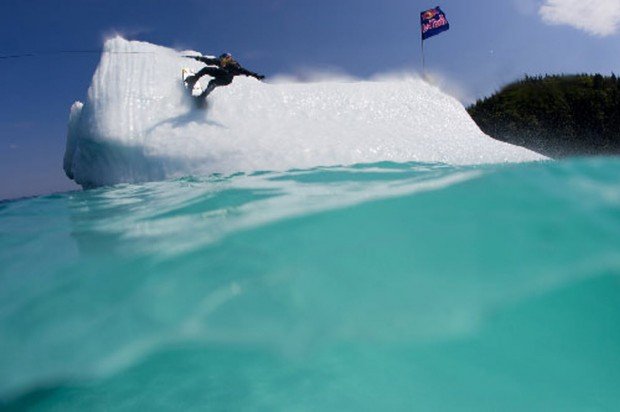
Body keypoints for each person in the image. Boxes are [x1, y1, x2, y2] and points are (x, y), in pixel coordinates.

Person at [184, 53, 265, 100]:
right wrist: (197, 58)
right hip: (220, 73)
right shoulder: (220, 62)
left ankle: (202, 97)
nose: (222, 62)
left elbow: (245, 71)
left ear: (227, 59)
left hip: (226, 79)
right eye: (221, 60)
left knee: (212, 82)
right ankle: (193, 79)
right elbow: (208, 60)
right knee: (206, 69)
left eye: (223, 60)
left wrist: (256, 75)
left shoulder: (234, 66)